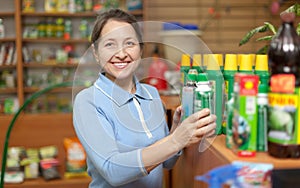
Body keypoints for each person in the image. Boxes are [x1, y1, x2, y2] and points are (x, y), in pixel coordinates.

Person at [73, 8, 217, 188]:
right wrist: (175, 140)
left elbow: (167, 162)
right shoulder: (87, 101)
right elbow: (113, 170)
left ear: (140, 50)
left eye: (129, 43)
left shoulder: (152, 94)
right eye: (110, 44)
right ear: (95, 52)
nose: (121, 53)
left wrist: (177, 133)